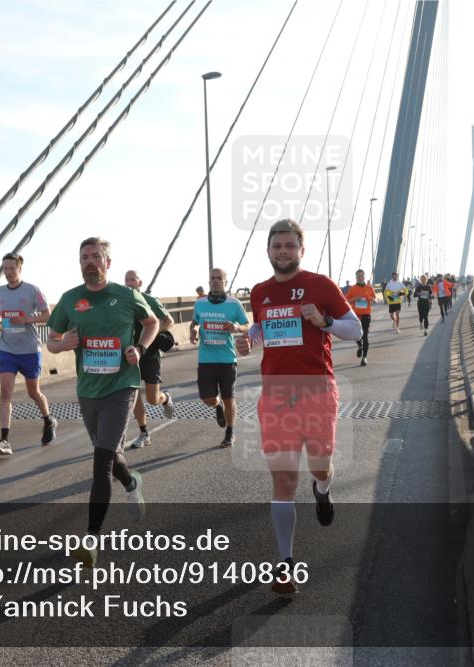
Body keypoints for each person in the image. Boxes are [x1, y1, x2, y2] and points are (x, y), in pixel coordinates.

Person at [236, 218, 363, 594]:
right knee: (284, 478)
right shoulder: (260, 292)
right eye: (277, 246)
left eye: (290, 246)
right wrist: (249, 340)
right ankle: (284, 564)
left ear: (301, 250)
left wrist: (322, 321)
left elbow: (354, 330)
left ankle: (322, 489)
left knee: (319, 464)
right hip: (275, 393)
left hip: (318, 389)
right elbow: (261, 330)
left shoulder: (320, 285)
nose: (283, 252)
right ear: (269, 251)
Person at [46, 237, 158, 569]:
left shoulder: (125, 296)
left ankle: (91, 538)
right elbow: (51, 341)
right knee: (111, 454)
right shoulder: (70, 300)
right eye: (84, 257)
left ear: (108, 262)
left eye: (96, 256)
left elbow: (152, 322)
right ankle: (132, 481)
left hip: (122, 386)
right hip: (88, 389)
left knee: (100, 462)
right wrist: (62, 343)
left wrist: (139, 348)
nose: (90, 261)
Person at [0, 253, 57, 456]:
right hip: (7, 348)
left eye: (11, 268)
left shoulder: (32, 290)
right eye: (5, 269)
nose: (7, 273)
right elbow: (0, 310)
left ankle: (48, 420)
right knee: (5, 392)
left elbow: (47, 315)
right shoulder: (0, 290)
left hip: (29, 350)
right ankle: (5, 439)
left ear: (19, 269)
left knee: (33, 392)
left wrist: (26, 319)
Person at [189, 267, 250, 448]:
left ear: (225, 282)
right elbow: (195, 322)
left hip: (227, 360)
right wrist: (193, 330)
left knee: (229, 397)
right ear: (209, 282)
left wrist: (237, 328)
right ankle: (217, 406)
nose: (215, 281)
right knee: (208, 399)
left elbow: (247, 324)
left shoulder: (234, 304)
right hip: (206, 359)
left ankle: (230, 433)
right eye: (212, 278)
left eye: (219, 278)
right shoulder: (200, 303)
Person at [124, 270, 176, 449]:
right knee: (134, 393)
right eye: (127, 280)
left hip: (150, 354)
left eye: (133, 279)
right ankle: (144, 432)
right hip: (130, 354)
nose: (129, 283)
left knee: (153, 399)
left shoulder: (149, 300)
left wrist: (150, 335)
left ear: (140, 283)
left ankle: (166, 398)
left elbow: (168, 321)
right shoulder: (122, 302)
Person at [345, 269, 376, 366]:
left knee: (365, 335)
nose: (360, 277)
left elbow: (375, 300)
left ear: (364, 276)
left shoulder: (369, 287)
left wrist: (369, 298)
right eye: (358, 276)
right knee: (356, 334)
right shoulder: (352, 288)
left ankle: (364, 358)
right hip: (355, 315)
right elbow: (346, 301)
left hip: (366, 314)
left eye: (362, 276)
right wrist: (355, 299)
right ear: (356, 277)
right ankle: (360, 346)